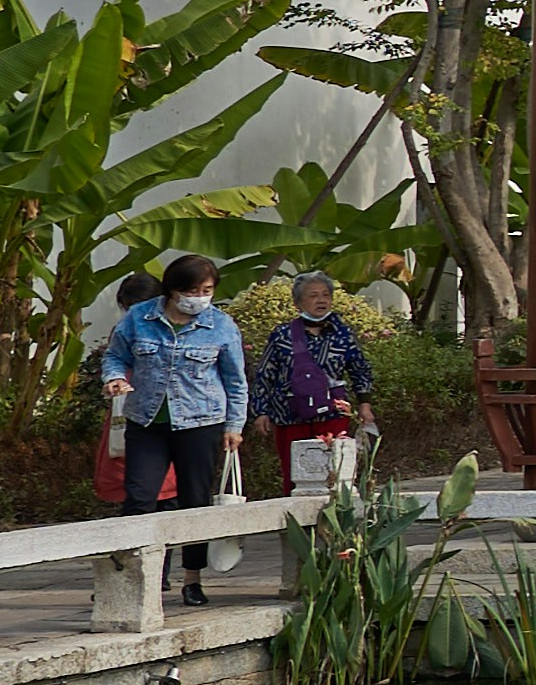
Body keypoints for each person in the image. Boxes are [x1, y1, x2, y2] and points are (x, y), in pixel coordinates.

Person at [97, 254, 249, 596]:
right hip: (146, 420)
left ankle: (192, 578)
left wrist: (234, 425)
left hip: (201, 421)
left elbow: (236, 381)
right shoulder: (140, 317)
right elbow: (115, 355)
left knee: (193, 501)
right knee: (139, 497)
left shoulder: (221, 325)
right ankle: (133, 575)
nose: (199, 296)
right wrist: (115, 378)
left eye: (207, 290)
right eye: (192, 289)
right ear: (173, 289)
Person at [257, 271, 377, 487]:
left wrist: (365, 404)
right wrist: (261, 411)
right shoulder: (282, 334)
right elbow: (266, 373)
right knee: (295, 475)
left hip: (332, 413)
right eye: (313, 295)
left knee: (335, 473)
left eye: (325, 295)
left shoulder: (343, 334)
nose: (321, 300)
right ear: (298, 303)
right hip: (290, 414)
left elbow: (360, 369)